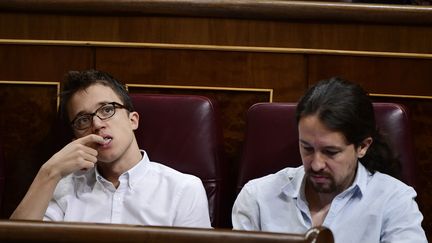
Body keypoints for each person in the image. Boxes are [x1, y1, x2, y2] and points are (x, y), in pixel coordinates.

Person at [232, 77, 427, 242]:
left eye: (331, 152)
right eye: (307, 148)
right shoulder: (258, 197)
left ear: (362, 146)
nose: (316, 164)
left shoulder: (393, 201)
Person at [10, 69, 211, 228]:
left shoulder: (183, 189)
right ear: (76, 138)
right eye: (83, 119)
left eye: (107, 109)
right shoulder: (64, 188)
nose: (97, 124)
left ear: (133, 120)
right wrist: (49, 172)